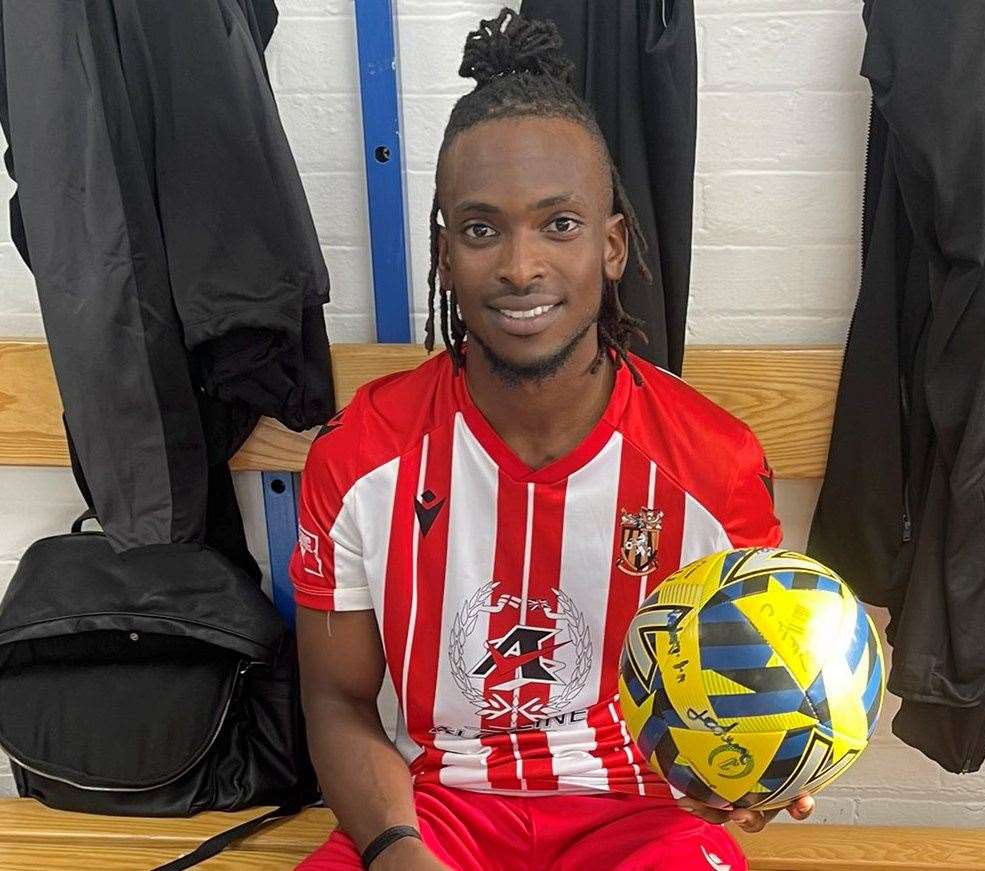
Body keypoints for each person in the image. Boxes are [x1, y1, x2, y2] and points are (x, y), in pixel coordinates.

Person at [291, 9, 813, 870]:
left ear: (611, 246)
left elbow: (748, 683)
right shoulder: (360, 455)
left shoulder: (710, 462)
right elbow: (336, 698)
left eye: (559, 224)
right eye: (482, 227)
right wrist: (392, 849)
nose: (520, 266)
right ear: (445, 253)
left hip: (643, 818)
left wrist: (756, 764)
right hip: (433, 812)